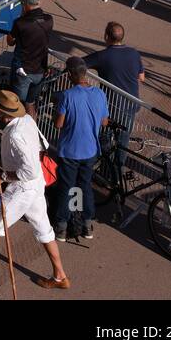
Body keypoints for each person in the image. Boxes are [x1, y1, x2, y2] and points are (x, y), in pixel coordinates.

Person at [0, 90, 71, 290]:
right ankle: (60, 276)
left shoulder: (16, 134)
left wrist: (4, 176)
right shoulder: (26, 118)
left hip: (22, 188)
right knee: (43, 228)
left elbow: (30, 171)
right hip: (35, 186)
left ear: (2, 113)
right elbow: (42, 145)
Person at [51, 57, 109, 242]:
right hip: (91, 150)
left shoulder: (68, 95)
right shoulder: (99, 94)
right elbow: (104, 121)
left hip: (70, 151)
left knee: (67, 187)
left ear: (69, 75)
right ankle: (87, 225)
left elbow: (59, 124)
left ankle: (61, 226)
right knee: (84, 187)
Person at [85, 22, 144, 174]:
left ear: (106, 36)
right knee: (123, 139)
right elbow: (141, 77)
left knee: (104, 136)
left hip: (111, 106)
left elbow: (79, 64)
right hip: (131, 104)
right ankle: (117, 172)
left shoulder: (102, 56)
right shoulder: (134, 53)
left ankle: (105, 170)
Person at [6, 0, 52, 111]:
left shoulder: (20, 23)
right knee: (30, 104)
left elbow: (10, 41)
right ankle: (32, 128)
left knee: (16, 106)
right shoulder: (49, 20)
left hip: (23, 70)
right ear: (39, 2)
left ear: (24, 4)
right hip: (40, 70)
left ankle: (15, 128)